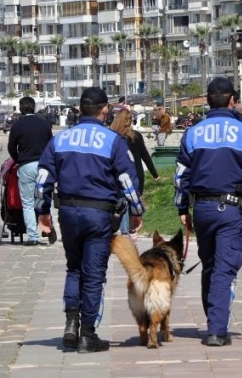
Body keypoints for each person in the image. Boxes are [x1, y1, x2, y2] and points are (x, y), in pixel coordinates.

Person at [36, 87, 143, 354]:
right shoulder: (112, 140)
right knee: (94, 275)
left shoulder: (61, 140)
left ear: (80, 109)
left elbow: (42, 179)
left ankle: (71, 324)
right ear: (105, 110)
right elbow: (128, 182)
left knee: (74, 268)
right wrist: (137, 210)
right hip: (99, 214)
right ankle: (88, 334)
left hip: (69, 212)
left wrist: (43, 211)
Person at [174, 77, 242, 347]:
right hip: (231, 208)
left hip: (202, 209)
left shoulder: (193, 132)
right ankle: (217, 329)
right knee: (225, 269)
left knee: (210, 265)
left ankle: (213, 317)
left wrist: (183, 208)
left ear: (207, 100)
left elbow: (180, 176)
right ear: (232, 100)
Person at [7, 96, 54, 246]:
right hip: (43, 166)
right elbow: (51, 145)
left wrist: (18, 160)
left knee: (27, 203)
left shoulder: (17, 126)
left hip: (26, 165)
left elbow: (11, 147)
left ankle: (33, 237)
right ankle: (47, 229)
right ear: (33, 108)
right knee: (44, 199)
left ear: (21, 109)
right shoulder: (44, 124)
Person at [109, 108, 160, 241]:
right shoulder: (136, 136)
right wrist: (155, 174)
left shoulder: (112, 136)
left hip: (118, 173)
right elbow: (146, 156)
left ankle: (122, 229)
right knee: (133, 199)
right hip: (136, 172)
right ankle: (131, 229)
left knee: (120, 199)